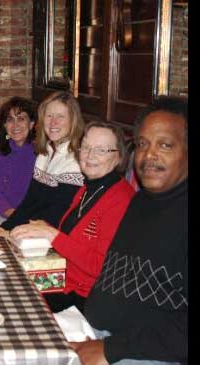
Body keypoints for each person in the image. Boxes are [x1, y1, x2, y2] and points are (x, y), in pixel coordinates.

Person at [72, 97, 188, 365]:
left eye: (165, 145)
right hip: (99, 336)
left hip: (147, 354)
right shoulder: (142, 201)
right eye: (143, 144)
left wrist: (111, 349)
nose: (149, 155)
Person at [10, 122, 135, 313]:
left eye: (101, 150)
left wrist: (53, 235)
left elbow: (100, 267)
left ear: (118, 156)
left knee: (15, 305)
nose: (90, 155)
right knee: (3, 282)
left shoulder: (121, 200)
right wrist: (46, 229)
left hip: (86, 299)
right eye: (86, 147)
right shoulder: (87, 188)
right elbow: (75, 241)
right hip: (61, 280)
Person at [0, 91, 85, 237]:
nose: (53, 122)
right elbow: (29, 202)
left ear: (73, 120)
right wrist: (5, 227)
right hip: (34, 230)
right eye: (49, 116)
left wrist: (15, 232)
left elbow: (57, 216)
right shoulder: (45, 152)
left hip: (55, 238)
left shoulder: (75, 160)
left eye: (60, 116)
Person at [0, 96, 37, 229]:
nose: (15, 125)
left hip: (24, 222)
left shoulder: (38, 155)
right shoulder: (5, 152)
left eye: (21, 119)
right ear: (5, 125)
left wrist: (13, 215)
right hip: (3, 215)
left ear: (32, 124)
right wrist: (7, 210)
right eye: (10, 119)